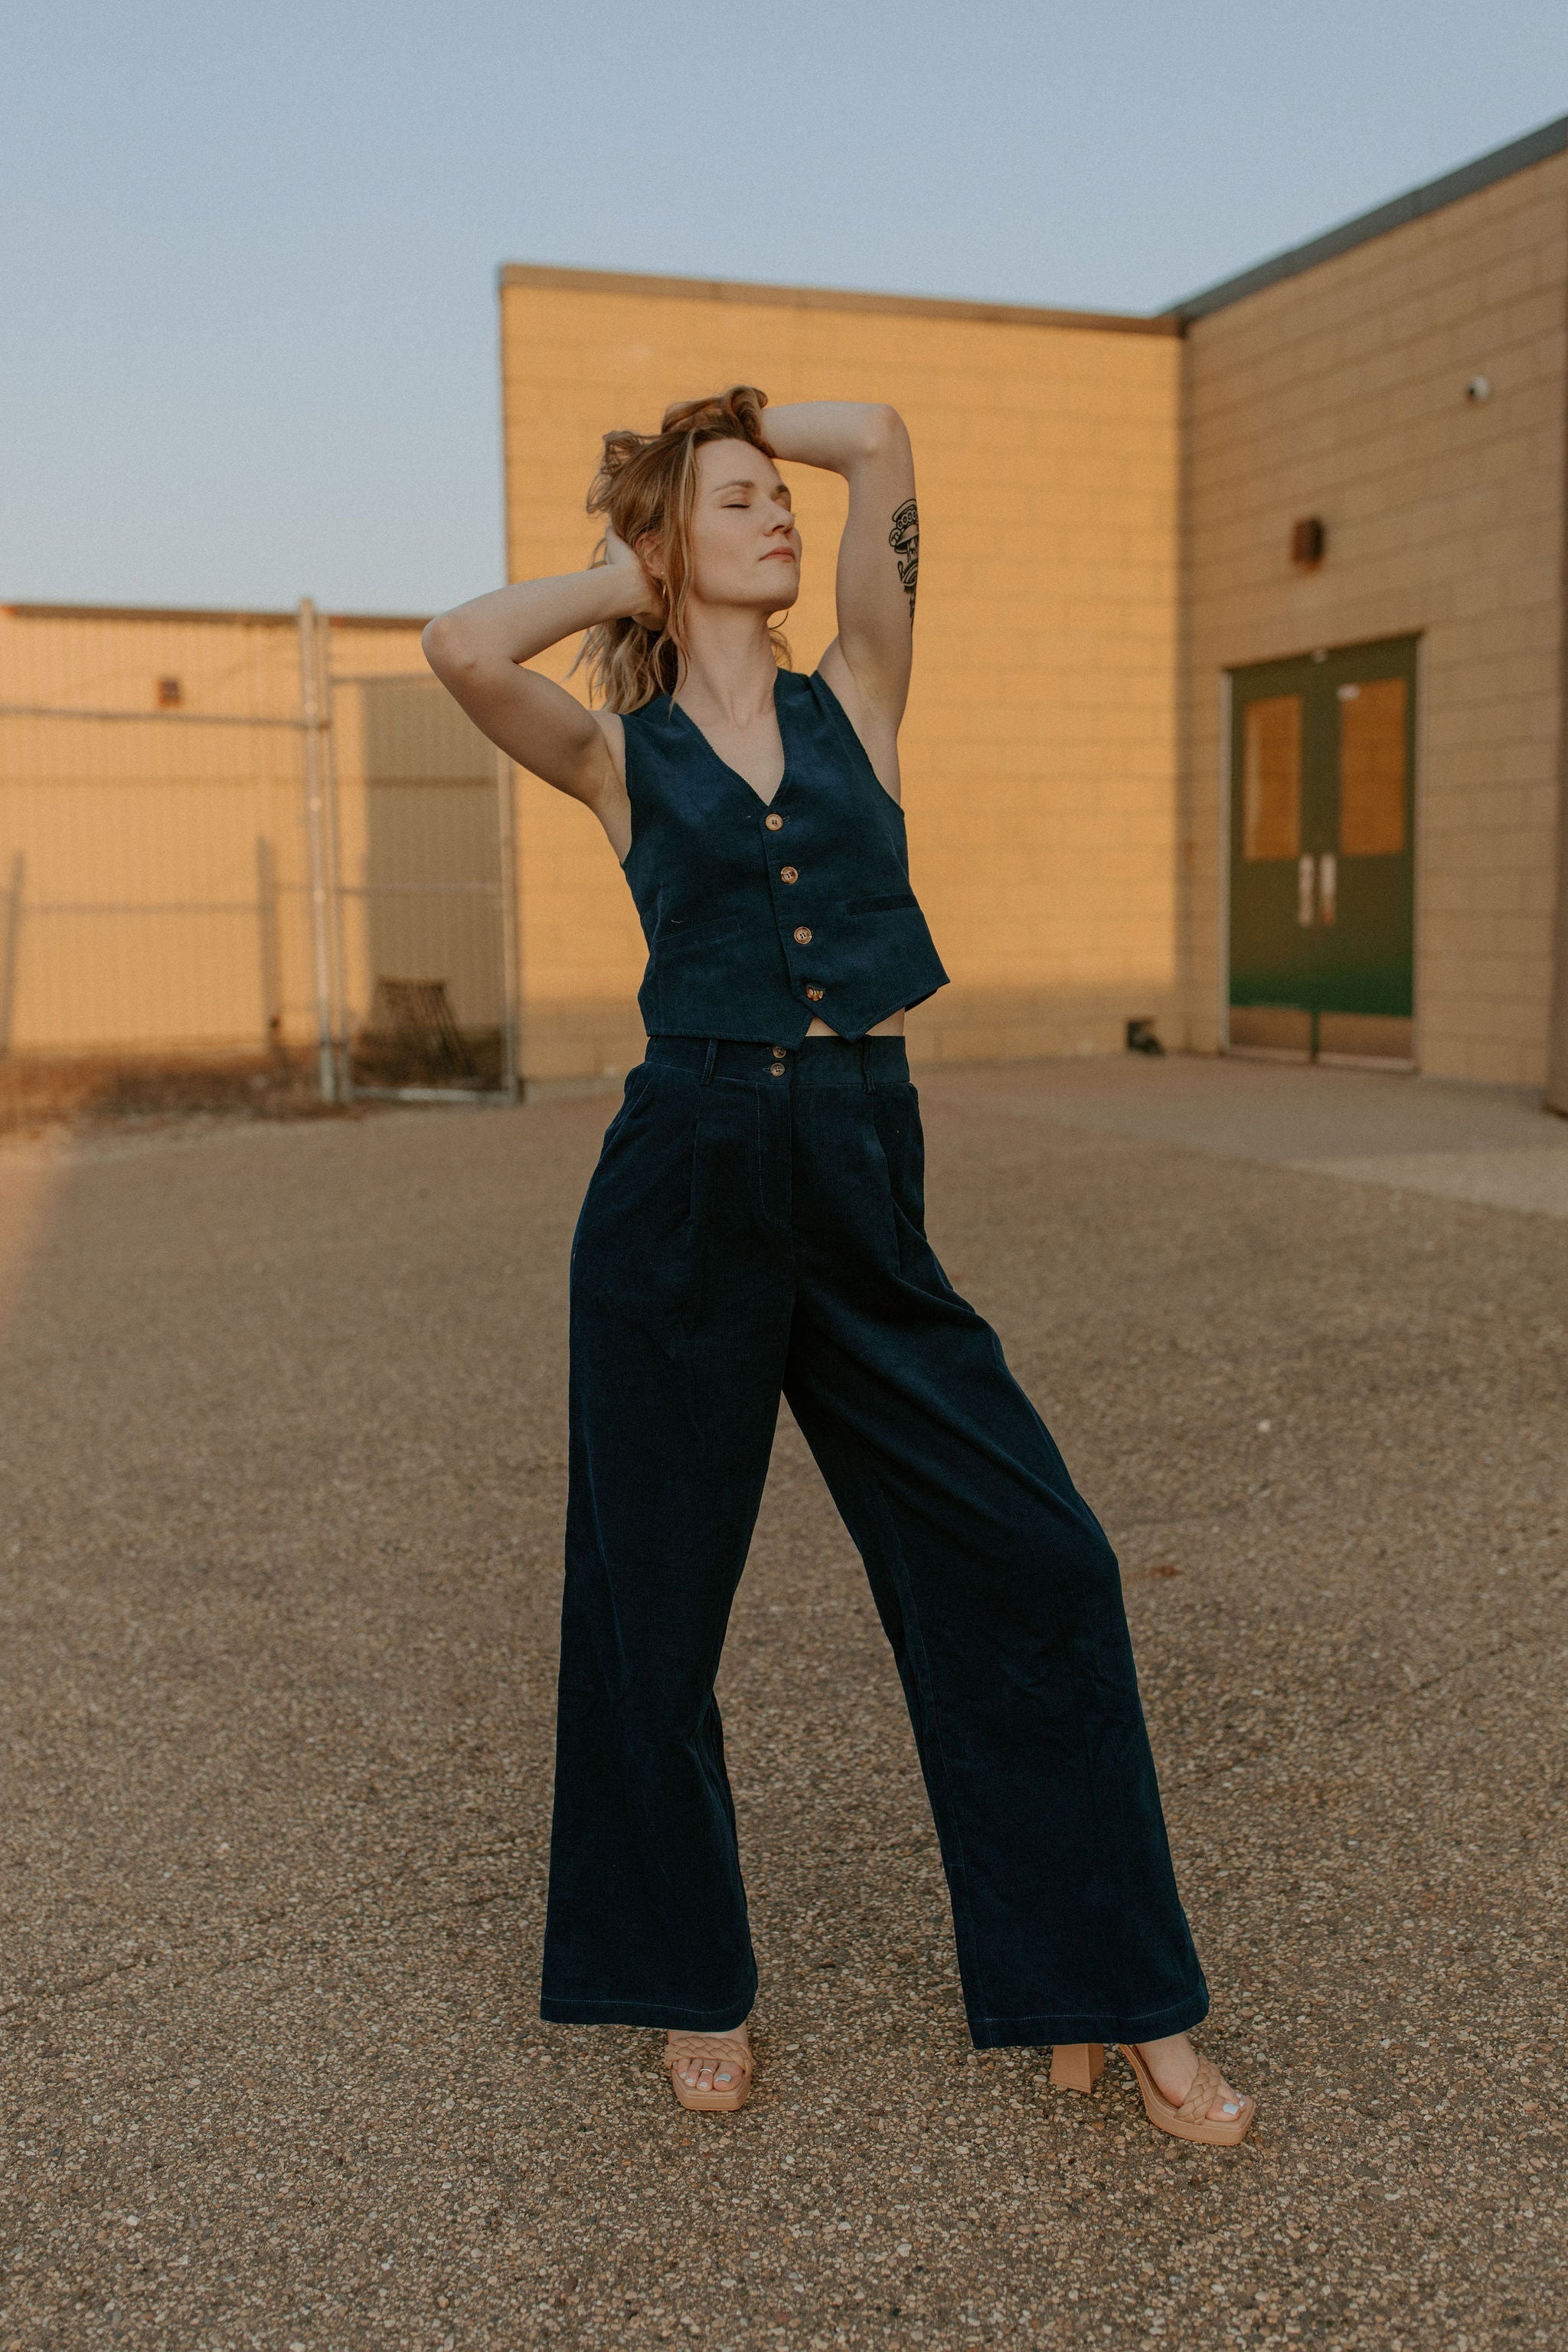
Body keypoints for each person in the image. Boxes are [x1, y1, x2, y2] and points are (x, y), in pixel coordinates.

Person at [423, 387, 1253, 2148]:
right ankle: (688, 1977)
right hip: (680, 1185)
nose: (778, 517)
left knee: (1041, 1563)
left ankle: (1112, 1989)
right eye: (737, 502)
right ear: (674, 546)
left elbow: (875, 437)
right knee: (650, 1611)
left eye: (773, 500)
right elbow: (459, 646)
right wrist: (631, 563)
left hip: (863, 1173)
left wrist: (736, 424)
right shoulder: (613, 757)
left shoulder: (860, 695)